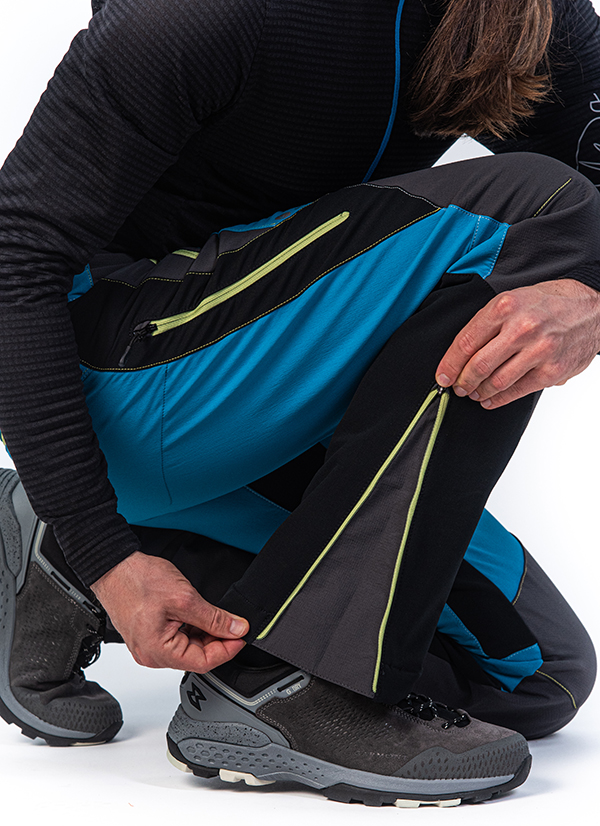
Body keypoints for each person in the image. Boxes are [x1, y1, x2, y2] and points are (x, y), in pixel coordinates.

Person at [0, 0, 599, 808]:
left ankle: (59, 552)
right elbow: (13, 259)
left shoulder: (526, 13)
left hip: (261, 387)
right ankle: (290, 681)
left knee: (533, 676)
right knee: (540, 208)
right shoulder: (203, 15)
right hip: (113, 378)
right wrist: (108, 552)